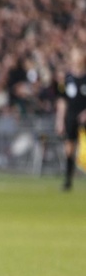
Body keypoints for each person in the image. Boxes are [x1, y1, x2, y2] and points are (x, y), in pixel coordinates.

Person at [55, 47, 86, 191]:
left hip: (84, 116)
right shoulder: (67, 78)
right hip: (71, 116)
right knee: (69, 148)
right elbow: (62, 101)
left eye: (78, 54)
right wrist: (60, 120)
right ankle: (68, 180)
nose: (76, 58)